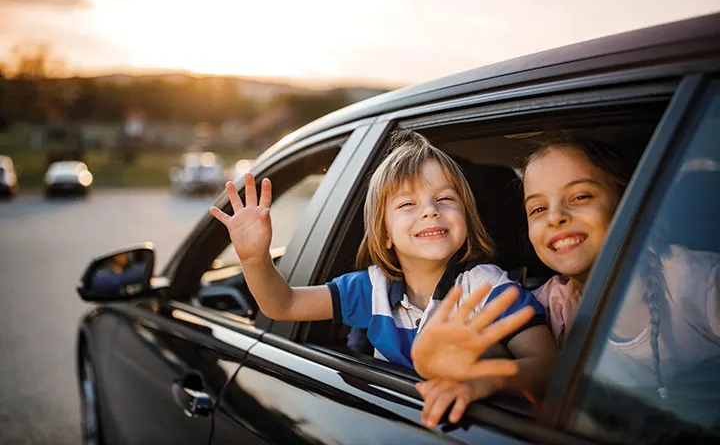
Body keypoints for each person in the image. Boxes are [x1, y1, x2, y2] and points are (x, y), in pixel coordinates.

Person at [210, 130, 556, 427]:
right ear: (384, 232)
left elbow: (547, 366)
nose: (430, 210)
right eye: (407, 204)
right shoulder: (368, 289)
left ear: (466, 219)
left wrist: (483, 381)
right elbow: (282, 304)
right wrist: (254, 258)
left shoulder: (485, 288)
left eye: (446, 199)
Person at [412, 136, 720, 429]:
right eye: (538, 209)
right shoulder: (548, 305)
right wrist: (456, 369)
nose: (555, 217)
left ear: (629, 202)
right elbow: (533, 368)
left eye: (581, 196)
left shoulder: (699, 282)